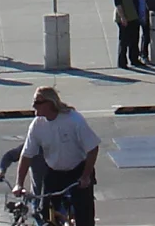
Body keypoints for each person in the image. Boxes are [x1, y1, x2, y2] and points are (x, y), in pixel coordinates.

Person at [13, 87, 100, 226]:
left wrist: (85, 176)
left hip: (78, 170)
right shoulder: (37, 125)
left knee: (84, 216)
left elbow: (93, 148)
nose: (33, 106)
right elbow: (27, 155)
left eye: (38, 102)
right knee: (45, 212)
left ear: (50, 103)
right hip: (55, 171)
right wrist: (19, 183)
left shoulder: (73, 120)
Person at [113, 0, 145, 68]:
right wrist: (123, 17)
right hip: (125, 18)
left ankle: (134, 59)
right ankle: (122, 62)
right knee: (124, 40)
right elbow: (118, 4)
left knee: (134, 40)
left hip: (134, 17)